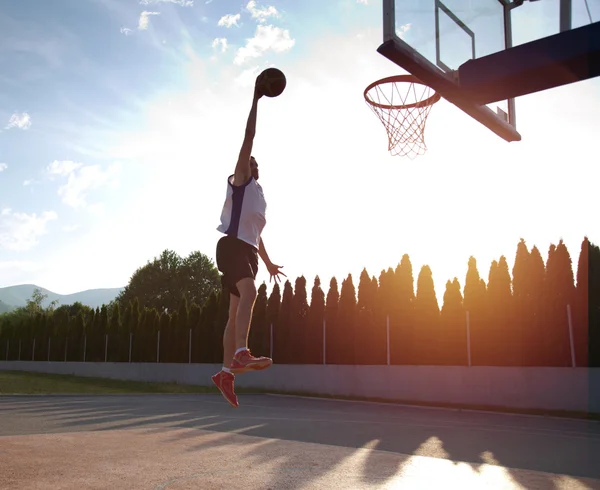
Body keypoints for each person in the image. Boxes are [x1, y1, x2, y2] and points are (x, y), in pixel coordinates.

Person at [211, 77, 286, 408]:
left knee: (233, 313)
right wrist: (256, 99)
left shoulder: (259, 194)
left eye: (254, 162)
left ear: (259, 170)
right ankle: (241, 353)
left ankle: (225, 373)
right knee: (251, 293)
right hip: (231, 248)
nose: (249, 162)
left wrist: (268, 261)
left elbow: (257, 232)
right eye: (247, 160)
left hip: (249, 251)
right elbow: (248, 137)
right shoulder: (240, 182)